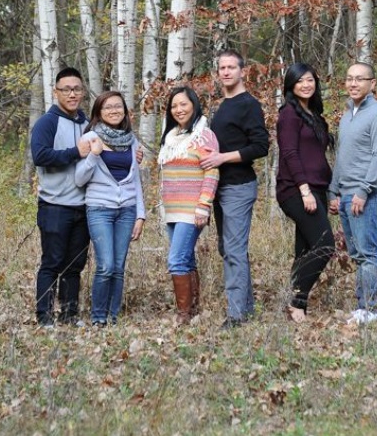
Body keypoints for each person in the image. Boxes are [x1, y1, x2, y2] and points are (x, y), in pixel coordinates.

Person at [200, 49, 269, 328]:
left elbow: (260, 146)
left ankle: (236, 315)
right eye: (222, 68)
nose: (226, 72)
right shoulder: (221, 105)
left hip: (239, 186)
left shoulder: (248, 104)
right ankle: (246, 308)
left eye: (231, 67)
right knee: (227, 248)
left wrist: (222, 158)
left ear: (243, 71)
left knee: (234, 249)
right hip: (219, 186)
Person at [329, 62, 377, 325]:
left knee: (368, 253)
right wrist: (333, 190)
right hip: (346, 194)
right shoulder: (348, 115)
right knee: (357, 254)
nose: (353, 84)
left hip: (366, 196)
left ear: (372, 83)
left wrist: (364, 192)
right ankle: (362, 306)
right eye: (349, 78)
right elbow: (342, 157)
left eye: (360, 79)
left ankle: (371, 309)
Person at [75, 91, 145, 327]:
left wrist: (140, 215)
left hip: (126, 210)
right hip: (99, 209)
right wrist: (94, 155)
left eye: (118, 106)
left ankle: (113, 317)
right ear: (99, 112)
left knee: (118, 267)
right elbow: (79, 179)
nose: (114, 111)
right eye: (108, 107)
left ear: (125, 111)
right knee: (105, 265)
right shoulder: (90, 138)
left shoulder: (131, 140)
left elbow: (136, 181)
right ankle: (98, 317)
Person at [31, 67, 92, 328]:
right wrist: (75, 152)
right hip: (55, 206)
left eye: (76, 89)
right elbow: (41, 156)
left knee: (75, 265)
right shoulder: (48, 122)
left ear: (83, 91)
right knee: (52, 263)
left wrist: (130, 155)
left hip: (83, 206)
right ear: (56, 92)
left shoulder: (86, 122)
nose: (72, 94)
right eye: (66, 89)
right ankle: (44, 316)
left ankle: (69, 314)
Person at [276, 62, 335, 323]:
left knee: (306, 248)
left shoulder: (315, 116)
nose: (306, 84)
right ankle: (296, 302)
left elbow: (318, 157)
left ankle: (295, 304)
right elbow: (289, 153)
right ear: (291, 85)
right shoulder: (288, 114)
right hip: (296, 189)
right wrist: (304, 190)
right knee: (325, 245)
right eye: (300, 81)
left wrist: (330, 191)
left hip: (318, 188)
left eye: (310, 80)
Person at [158, 86, 219, 323]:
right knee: (186, 258)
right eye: (174, 105)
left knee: (176, 260)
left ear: (194, 104)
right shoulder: (171, 137)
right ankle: (193, 309)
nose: (178, 109)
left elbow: (212, 171)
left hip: (192, 210)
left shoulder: (204, 134)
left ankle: (182, 314)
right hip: (171, 210)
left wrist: (204, 205)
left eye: (183, 104)